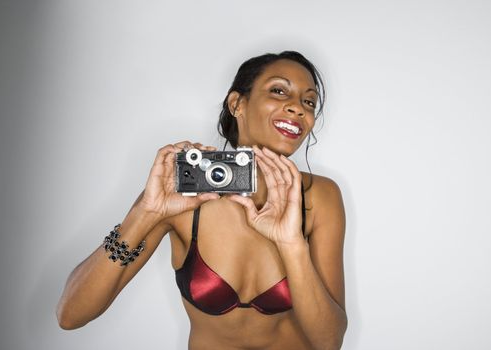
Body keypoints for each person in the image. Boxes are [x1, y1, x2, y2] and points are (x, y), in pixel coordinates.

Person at [56, 51, 348, 350]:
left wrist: (292, 245)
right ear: (237, 104)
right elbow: (71, 314)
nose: (298, 108)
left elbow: (329, 342)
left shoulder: (319, 197)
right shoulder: (182, 193)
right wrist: (145, 213)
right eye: (278, 90)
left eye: (308, 101)